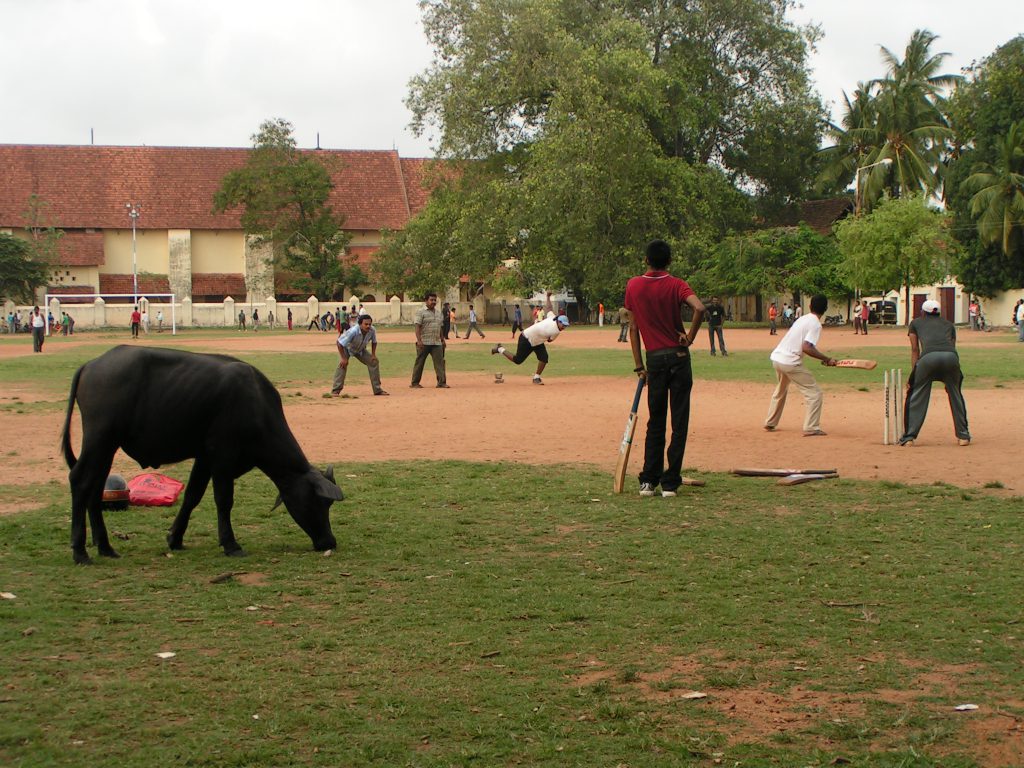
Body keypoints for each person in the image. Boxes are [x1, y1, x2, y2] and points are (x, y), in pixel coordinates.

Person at [624, 239, 705, 498]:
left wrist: (639, 366)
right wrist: (689, 337)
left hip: (655, 359)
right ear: (669, 261)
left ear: (646, 260)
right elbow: (699, 308)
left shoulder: (634, 285)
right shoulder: (677, 284)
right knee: (679, 421)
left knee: (655, 420)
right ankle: (670, 483)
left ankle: (649, 480)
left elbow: (634, 329)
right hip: (679, 357)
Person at [898, 300, 971, 447]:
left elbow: (914, 349)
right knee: (955, 394)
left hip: (928, 359)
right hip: (951, 358)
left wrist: (914, 374)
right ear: (938, 312)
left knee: (916, 394)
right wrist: (951, 380)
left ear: (923, 312)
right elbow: (952, 347)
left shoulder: (916, 323)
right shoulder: (949, 324)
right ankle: (963, 436)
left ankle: (909, 438)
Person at [763, 294, 837, 436]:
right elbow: (807, 347)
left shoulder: (803, 318)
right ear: (826, 309)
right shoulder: (815, 324)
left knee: (780, 390)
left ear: (810, 306)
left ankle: (770, 422)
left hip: (777, 358)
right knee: (815, 394)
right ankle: (811, 427)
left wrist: (823, 358)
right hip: (790, 362)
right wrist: (827, 359)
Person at [491, 312, 569, 385]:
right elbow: (549, 340)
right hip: (526, 338)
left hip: (537, 342)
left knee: (544, 358)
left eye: (566, 326)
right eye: (563, 325)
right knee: (518, 360)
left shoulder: (552, 318)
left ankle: (536, 377)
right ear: (558, 321)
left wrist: (548, 298)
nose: (564, 327)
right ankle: (499, 349)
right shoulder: (555, 331)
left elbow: (549, 311)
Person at [330, 315, 388, 396]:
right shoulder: (353, 331)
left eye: (369, 324)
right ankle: (336, 390)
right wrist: (343, 358)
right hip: (347, 348)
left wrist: (373, 355)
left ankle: (377, 390)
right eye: (366, 324)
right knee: (342, 365)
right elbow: (339, 343)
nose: (368, 326)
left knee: (374, 362)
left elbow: (374, 342)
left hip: (360, 349)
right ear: (360, 324)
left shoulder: (372, 330)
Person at [410, 292, 448, 389]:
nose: (433, 302)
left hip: (436, 342)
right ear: (426, 301)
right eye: (431, 300)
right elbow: (417, 327)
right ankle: (414, 383)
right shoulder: (421, 312)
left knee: (440, 363)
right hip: (424, 342)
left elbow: (440, 328)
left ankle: (441, 382)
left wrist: (442, 340)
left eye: (435, 300)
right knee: (420, 362)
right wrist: (419, 340)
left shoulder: (439, 313)